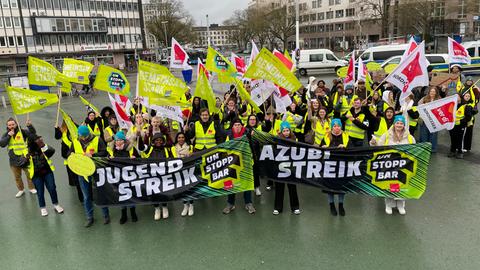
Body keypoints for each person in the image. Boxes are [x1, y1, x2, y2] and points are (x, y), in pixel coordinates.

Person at [370, 115, 415, 215]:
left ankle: (400, 205)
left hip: (404, 166)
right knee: (390, 185)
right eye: (397, 123)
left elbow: (415, 150)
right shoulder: (386, 135)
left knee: (402, 186)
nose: (399, 125)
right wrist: (373, 142)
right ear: (394, 124)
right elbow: (378, 145)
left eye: (401, 123)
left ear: (404, 125)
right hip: (389, 165)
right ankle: (389, 204)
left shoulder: (410, 137)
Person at [70, 125, 110, 227]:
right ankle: (89, 217)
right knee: (86, 196)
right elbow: (69, 153)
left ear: (88, 134)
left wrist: (93, 155)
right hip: (83, 172)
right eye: (81, 136)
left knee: (100, 193)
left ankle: (106, 215)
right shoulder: (75, 142)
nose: (83, 138)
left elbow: (104, 152)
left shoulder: (97, 139)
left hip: (96, 171)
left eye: (85, 136)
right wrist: (71, 155)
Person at [138, 133, 175, 219]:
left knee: (164, 192)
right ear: (153, 141)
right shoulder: (149, 149)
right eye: (157, 140)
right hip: (152, 176)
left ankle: (165, 207)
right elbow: (141, 147)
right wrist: (139, 136)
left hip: (164, 176)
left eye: (161, 140)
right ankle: (157, 209)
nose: (159, 142)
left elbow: (173, 161)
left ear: (163, 141)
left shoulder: (166, 150)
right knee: (154, 193)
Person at [223, 119, 256, 214]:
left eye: (239, 125)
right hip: (233, 163)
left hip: (246, 162)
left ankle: (248, 203)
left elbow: (252, 145)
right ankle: (230, 204)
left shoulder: (247, 134)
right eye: (235, 125)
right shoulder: (229, 136)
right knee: (230, 184)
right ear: (232, 127)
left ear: (242, 126)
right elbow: (226, 148)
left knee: (247, 183)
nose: (237, 126)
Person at [27, 134, 64, 216]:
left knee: (52, 188)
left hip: (47, 172)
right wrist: (25, 158)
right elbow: (22, 163)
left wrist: (43, 145)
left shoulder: (43, 147)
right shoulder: (27, 151)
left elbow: (52, 151)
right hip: (36, 175)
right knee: (40, 191)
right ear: (32, 142)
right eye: (37, 139)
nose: (40, 139)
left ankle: (56, 205)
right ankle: (43, 208)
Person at [320, 119, 351, 216]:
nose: (337, 128)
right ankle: (331, 204)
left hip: (342, 165)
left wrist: (345, 148)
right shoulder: (326, 137)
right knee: (330, 186)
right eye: (334, 126)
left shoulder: (346, 136)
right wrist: (323, 148)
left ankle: (341, 205)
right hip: (329, 166)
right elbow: (319, 153)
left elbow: (352, 151)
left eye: (338, 126)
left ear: (341, 127)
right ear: (332, 127)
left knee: (341, 186)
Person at [0, 118, 37, 197]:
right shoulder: (6, 134)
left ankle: (31, 188)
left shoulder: (22, 131)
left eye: (13, 124)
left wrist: (30, 126)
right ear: (7, 126)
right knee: (17, 177)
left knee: (29, 175)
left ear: (16, 124)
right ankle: (21, 190)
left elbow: (33, 136)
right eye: (9, 125)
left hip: (25, 157)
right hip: (13, 159)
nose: (11, 126)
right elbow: (2, 144)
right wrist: (9, 136)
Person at [108, 131, 139, 224]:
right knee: (121, 194)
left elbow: (139, 158)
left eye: (120, 140)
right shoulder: (111, 149)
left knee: (131, 193)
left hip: (129, 176)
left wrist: (135, 158)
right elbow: (106, 160)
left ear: (124, 140)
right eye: (117, 140)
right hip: (118, 176)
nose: (118, 142)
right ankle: (123, 213)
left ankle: (133, 212)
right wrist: (109, 158)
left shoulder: (131, 149)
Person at [273, 121, 300, 215]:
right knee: (279, 188)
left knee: (292, 187)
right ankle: (277, 208)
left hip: (291, 168)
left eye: (287, 130)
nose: (286, 132)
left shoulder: (295, 139)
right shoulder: (276, 140)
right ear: (281, 132)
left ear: (290, 130)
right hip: (280, 168)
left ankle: (295, 207)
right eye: (284, 131)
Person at [54, 122, 83, 203]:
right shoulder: (63, 130)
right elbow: (57, 137)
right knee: (69, 170)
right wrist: (56, 129)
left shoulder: (74, 129)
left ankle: (76, 183)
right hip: (66, 153)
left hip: (75, 152)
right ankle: (72, 182)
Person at [170, 132, 195, 217]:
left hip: (189, 169)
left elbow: (193, 158)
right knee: (182, 189)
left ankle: (191, 205)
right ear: (176, 139)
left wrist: (191, 155)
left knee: (190, 188)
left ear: (185, 138)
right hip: (179, 170)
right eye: (179, 137)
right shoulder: (173, 148)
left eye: (182, 137)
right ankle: (185, 205)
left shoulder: (190, 147)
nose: (181, 139)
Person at [449, 93, 474, 159]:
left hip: (461, 125)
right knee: (453, 138)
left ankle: (460, 152)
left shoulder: (466, 105)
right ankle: (452, 151)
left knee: (460, 138)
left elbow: (468, 117)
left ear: (460, 97)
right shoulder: (451, 105)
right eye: (454, 96)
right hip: (452, 125)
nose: (456, 98)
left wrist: (461, 121)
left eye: (457, 97)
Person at [418, 87, 441, 153]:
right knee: (424, 134)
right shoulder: (424, 98)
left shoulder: (439, 99)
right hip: (425, 120)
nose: (432, 93)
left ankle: (433, 148)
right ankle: (424, 148)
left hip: (434, 121)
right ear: (429, 92)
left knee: (433, 135)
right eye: (431, 91)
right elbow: (419, 106)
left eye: (434, 91)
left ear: (436, 92)